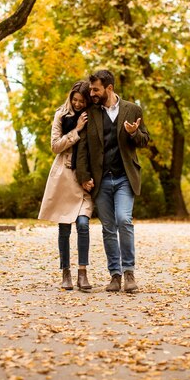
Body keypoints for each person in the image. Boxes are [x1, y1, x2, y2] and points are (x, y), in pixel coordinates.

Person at [76, 70, 149, 293]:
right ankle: (115, 275)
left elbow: (144, 140)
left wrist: (134, 133)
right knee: (108, 228)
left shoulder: (132, 109)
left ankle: (129, 273)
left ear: (109, 88)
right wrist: (83, 176)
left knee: (124, 220)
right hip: (101, 180)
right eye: (91, 89)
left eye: (95, 89)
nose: (92, 93)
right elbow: (83, 149)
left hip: (125, 177)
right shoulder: (91, 113)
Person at [38, 80, 94, 291]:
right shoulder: (61, 115)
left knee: (82, 224)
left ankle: (83, 273)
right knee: (63, 228)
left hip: (83, 178)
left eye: (81, 101)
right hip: (64, 174)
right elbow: (55, 146)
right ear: (70, 97)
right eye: (75, 99)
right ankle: (65, 273)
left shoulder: (92, 116)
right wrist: (77, 130)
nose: (78, 104)